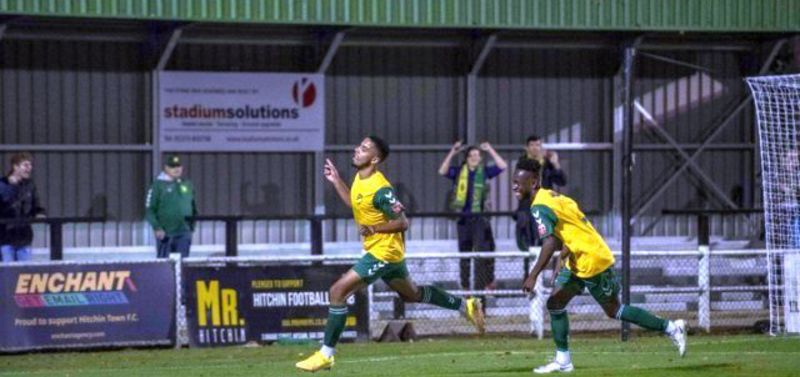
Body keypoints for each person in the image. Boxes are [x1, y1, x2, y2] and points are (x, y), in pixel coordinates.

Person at [296, 136, 485, 372]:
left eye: (363, 149)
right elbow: (355, 204)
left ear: (374, 159)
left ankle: (326, 354)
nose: (357, 149)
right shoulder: (359, 178)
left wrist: (374, 228)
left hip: (382, 252)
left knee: (337, 291)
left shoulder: (381, 189)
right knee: (412, 294)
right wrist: (336, 181)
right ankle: (465, 306)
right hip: (387, 253)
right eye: (359, 145)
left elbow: (402, 222)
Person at [513, 158, 686, 374]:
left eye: (519, 182)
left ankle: (671, 327)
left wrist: (533, 275)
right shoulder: (553, 196)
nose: (514, 186)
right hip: (579, 257)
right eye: (513, 181)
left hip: (592, 260)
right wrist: (562, 259)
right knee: (555, 303)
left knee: (614, 310)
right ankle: (563, 361)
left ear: (534, 182)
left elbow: (549, 241)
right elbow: (570, 231)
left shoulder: (539, 206)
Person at [438, 140, 508, 294]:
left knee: (482, 253)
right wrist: (453, 151)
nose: (475, 158)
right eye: (472, 155)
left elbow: (503, 166)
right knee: (465, 253)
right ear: (467, 158)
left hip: (480, 219)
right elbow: (442, 171)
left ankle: (481, 285)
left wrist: (490, 149)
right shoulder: (459, 171)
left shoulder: (484, 172)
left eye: (477, 155)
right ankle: (465, 285)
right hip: (463, 219)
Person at [145, 154, 197, 258]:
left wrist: (191, 227)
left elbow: (193, 206)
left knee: (183, 265)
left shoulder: (187, 184)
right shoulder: (157, 185)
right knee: (165, 266)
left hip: (184, 233)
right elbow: (149, 210)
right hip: (166, 233)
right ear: (166, 168)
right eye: (173, 167)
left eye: (178, 166)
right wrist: (157, 227)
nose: (176, 169)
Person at [0, 152, 45, 262]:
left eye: (30, 165)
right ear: (15, 167)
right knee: (6, 273)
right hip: (5, 237)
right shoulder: (2, 184)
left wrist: (40, 213)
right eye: (25, 165)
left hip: (24, 237)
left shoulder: (30, 185)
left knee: (24, 271)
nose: (29, 168)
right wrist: (12, 187)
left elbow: (36, 205)